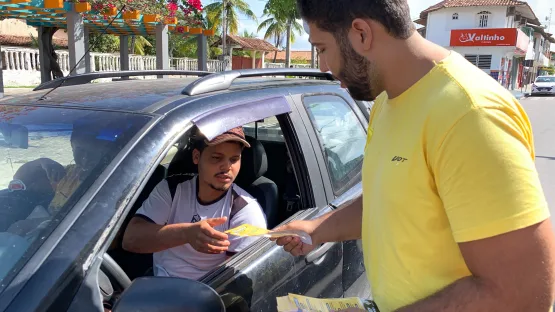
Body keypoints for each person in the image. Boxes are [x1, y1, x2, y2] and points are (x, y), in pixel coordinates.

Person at [274, 0, 555, 311]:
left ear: (361, 33)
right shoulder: (386, 101)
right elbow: (392, 198)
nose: (322, 65)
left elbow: (522, 294)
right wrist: (317, 228)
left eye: (322, 48)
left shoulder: (471, 114)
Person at [122, 126, 267, 280]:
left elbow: (239, 280)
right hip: (157, 283)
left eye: (234, 159)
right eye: (217, 158)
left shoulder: (244, 210)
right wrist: (186, 234)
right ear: (196, 157)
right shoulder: (172, 188)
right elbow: (130, 240)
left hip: (204, 295)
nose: (227, 167)